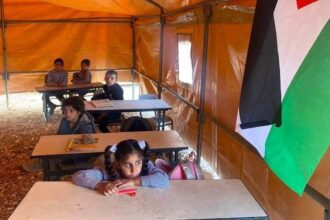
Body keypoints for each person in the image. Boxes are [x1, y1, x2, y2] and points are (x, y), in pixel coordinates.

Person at [72, 139, 169, 195]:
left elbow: (164, 180)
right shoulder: (110, 171)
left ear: (142, 160)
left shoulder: (146, 166)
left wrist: (134, 181)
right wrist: (100, 185)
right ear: (118, 164)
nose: (134, 169)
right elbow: (77, 176)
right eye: (127, 165)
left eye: (137, 162)